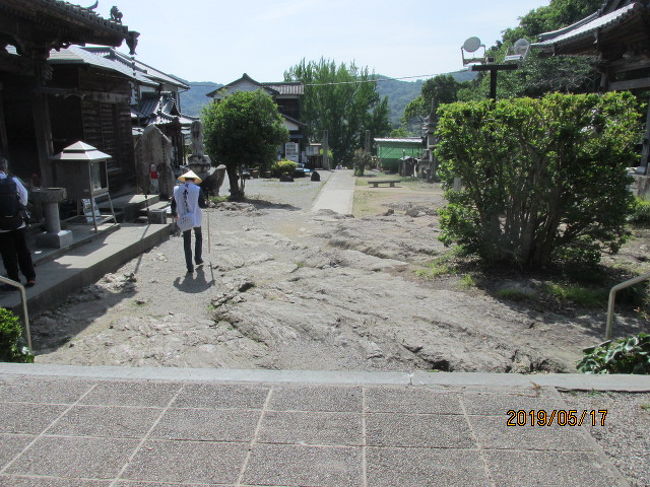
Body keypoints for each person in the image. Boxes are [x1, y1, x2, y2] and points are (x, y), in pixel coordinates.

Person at [0, 156, 35, 290]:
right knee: (23, 251)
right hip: (18, 222)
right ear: (5, 167)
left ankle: (14, 281)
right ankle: (30, 277)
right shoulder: (13, 180)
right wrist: (19, 207)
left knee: (8, 254)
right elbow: (24, 195)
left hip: (2, 227)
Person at [171, 169, 207, 274]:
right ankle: (198, 258)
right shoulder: (197, 189)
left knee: (186, 241)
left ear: (185, 179)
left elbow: (173, 204)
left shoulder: (177, 189)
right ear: (194, 179)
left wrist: (175, 214)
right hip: (195, 216)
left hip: (184, 217)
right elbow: (201, 204)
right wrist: (208, 204)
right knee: (198, 236)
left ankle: (189, 266)